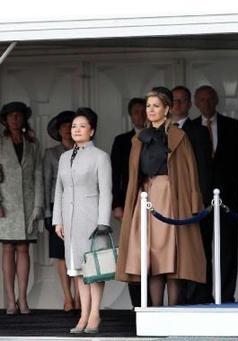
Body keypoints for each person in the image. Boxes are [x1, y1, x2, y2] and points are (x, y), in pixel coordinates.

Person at [116, 87, 206, 307]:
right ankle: (155, 309)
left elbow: (190, 171)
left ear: (167, 109)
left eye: (156, 106)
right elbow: (133, 174)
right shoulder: (139, 139)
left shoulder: (178, 136)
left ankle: (172, 310)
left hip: (169, 196)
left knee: (171, 257)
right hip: (145, 196)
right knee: (151, 257)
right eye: (148, 106)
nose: (151, 110)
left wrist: (194, 202)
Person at [53, 108, 112, 333]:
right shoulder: (64, 157)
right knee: (76, 269)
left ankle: (95, 314)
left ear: (92, 130)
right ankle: (83, 315)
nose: (76, 130)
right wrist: (58, 220)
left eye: (82, 126)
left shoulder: (100, 156)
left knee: (94, 269)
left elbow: (106, 192)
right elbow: (58, 190)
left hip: (92, 219)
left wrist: (103, 222)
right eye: (74, 126)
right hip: (69, 219)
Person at [192, 85, 238, 303]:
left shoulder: (232, 126)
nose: (205, 103)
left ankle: (226, 294)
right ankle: (203, 294)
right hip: (199, 200)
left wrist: (228, 184)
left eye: (209, 99)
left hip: (228, 197)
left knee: (227, 249)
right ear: (196, 103)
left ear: (216, 101)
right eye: (201, 100)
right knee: (202, 248)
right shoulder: (191, 128)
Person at [170, 85, 213, 304]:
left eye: (181, 101)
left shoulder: (198, 130)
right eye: (173, 100)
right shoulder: (163, 129)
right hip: (169, 203)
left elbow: (204, 169)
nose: (176, 105)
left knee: (198, 249)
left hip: (193, 201)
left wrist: (202, 202)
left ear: (189, 104)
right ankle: (178, 298)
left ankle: (200, 296)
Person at [0, 101, 44, 315]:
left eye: (18, 116)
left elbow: (37, 174)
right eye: (11, 116)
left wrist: (38, 204)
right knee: (7, 248)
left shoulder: (33, 144)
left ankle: (23, 300)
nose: (15, 119)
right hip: (6, 205)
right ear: (6, 120)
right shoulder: (0, 143)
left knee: (24, 249)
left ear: (23, 119)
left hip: (28, 204)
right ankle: (10, 301)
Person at [110, 97, 146, 307]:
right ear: (130, 116)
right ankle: (138, 305)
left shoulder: (160, 136)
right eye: (136, 112)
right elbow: (116, 175)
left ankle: (157, 306)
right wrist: (117, 204)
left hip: (155, 203)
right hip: (128, 203)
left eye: (143, 110)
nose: (140, 115)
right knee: (133, 254)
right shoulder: (122, 140)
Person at [43, 110, 81, 311]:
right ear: (58, 131)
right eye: (64, 126)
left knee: (78, 251)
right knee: (60, 254)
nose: (67, 129)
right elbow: (46, 183)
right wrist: (47, 214)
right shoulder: (51, 154)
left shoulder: (85, 151)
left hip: (81, 207)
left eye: (71, 125)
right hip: (57, 208)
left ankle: (79, 296)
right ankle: (68, 297)